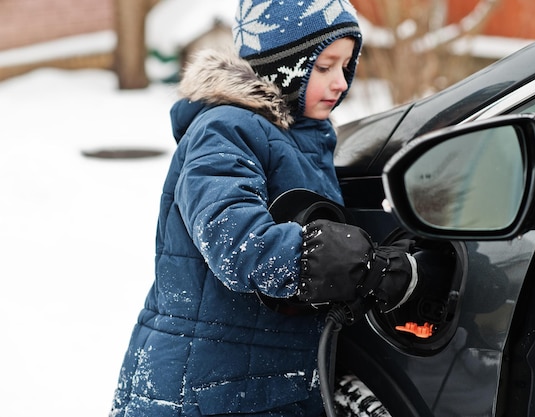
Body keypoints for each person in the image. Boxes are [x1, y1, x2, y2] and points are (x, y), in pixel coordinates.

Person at [110, 1, 421, 416]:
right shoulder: (225, 129)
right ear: (282, 65)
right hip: (205, 388)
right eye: (325, 66)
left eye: (347, 66)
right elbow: (234, 238)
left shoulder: (304, 138)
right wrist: (349, 264)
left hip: (257, 382)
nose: (342, 82)